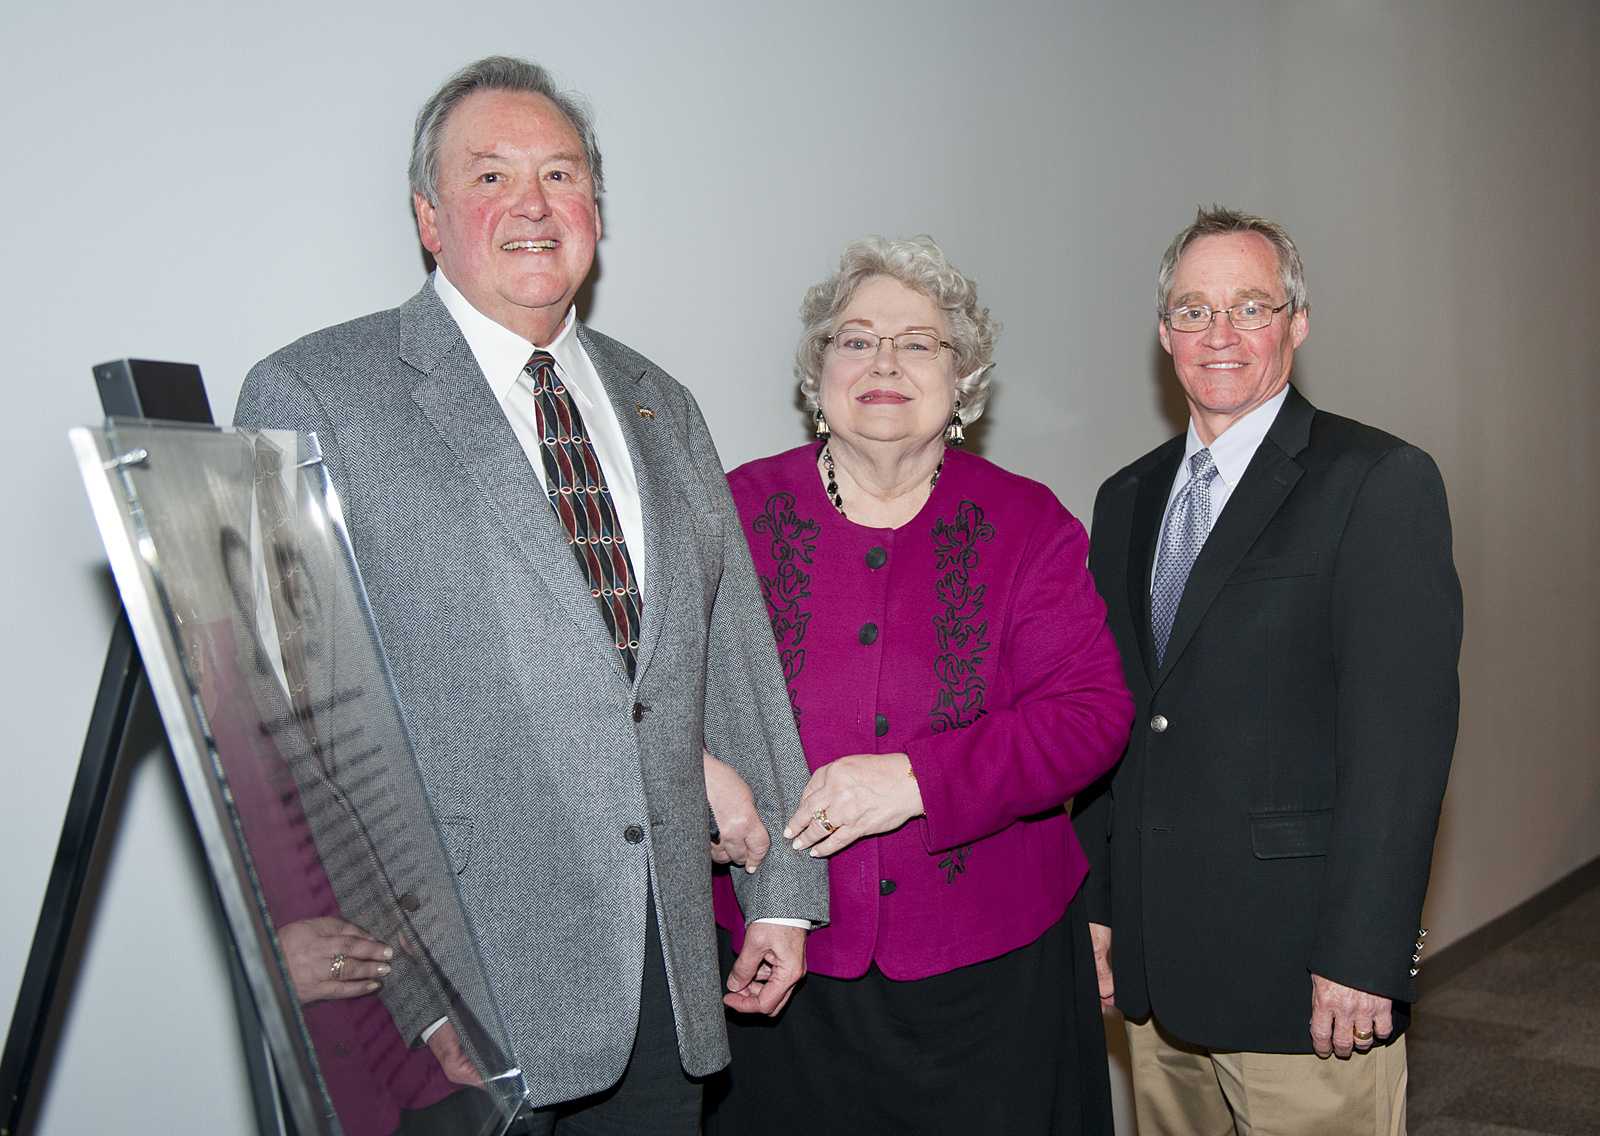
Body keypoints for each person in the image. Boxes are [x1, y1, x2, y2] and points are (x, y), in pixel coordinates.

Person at [234, 55, 828, 1133]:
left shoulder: (661, 403)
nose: (532, 205)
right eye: (490, 176)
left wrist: (782, 886)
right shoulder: (317, 392)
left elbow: (726, 647)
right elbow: (290, 723)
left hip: (659, 966)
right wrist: (412, 989)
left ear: (596, 208)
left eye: (560, 175)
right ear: (428, 215)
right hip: (454, 981)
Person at [703, 235, 1133, 1134]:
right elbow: (658, 695)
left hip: (992, 980)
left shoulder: (1028, 522)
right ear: (817, 372)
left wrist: (915, 780)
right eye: (854, 340)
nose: (883, 363)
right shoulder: (730, 512)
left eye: (919, 342)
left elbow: (1090, 714)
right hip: (777, 959)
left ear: (963, 378)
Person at [1072, 206, 1461, 1134]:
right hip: (1158, 970)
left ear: (1297, 321)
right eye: (1195, 311)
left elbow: (1400, 746)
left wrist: (1368, 953)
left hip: (1307, 978)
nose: (1223, 334)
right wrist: (1096, 900)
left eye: (1252, 306)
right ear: (1165, 332)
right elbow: (1114, 716)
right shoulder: (1125, 498)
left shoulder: (1377, 481)